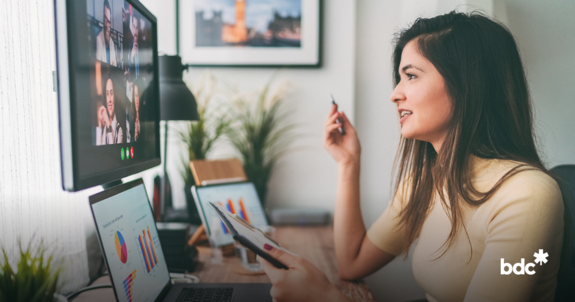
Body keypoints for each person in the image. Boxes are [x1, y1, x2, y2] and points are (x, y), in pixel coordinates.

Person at [260, 11, 566, 302]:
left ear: (467, 85)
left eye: (411, 76)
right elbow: (352, 263)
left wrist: (325, 297)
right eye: (399, 77)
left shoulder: (526, 195)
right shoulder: (429, 180)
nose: (395, 93)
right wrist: (348, 162)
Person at [98, 77, 123, 144]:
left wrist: (109, 124)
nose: (109, 99)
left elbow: (113, 151)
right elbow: (96, 151)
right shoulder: (104, 128)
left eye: (111, 93)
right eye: (107, 94)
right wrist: (100, 124)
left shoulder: (119, 130)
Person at [95, 0, 118, 66]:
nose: (108, 25)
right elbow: (99, 64)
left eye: (109, 21)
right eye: (105, 19)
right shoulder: (99, 39)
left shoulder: (111, 43)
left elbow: (114, 65)